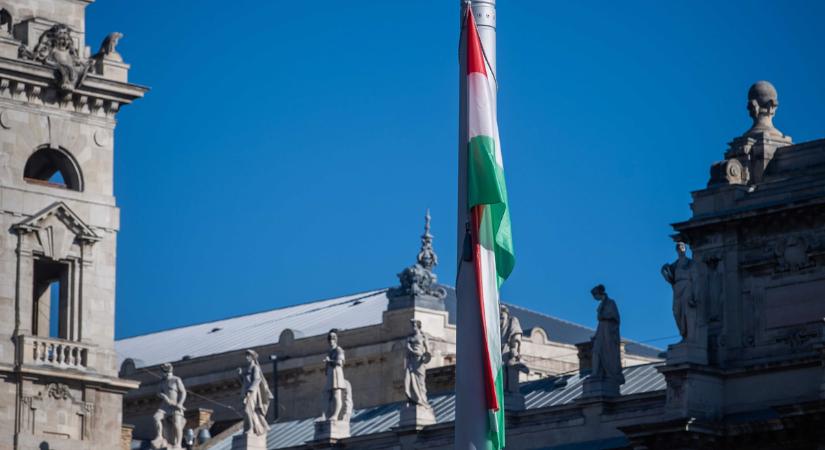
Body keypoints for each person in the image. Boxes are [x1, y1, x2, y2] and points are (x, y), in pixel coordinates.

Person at [661, 242, 701, 341]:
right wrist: (664, 271)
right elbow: (669, 278)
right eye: (679, 247)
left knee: (686, 311)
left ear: (685, 249)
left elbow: (696, 279)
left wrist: (695, 296)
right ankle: (683, 332)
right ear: (677, 250)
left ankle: (687, 335)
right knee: (676, 311)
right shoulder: (675, 265)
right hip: (677, 288)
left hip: (687, 286)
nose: (681, 248)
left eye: (682, 247)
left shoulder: (690, 262)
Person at [590, 285, 624, 384]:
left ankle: (608, 373)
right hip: (601, 331)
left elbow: (615, 317)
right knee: (596, 351)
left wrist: (603, 315)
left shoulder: (610, 303)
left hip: (608, 333)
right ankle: (595, 373)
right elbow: (600, 322)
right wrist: (596, 335)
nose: (594, 298)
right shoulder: (602, 304)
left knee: (608, 353)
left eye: (594, 296)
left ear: (598, 294)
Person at [237, 349, 272, 436]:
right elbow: (245, 382)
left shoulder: (255, 368)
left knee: (247, 410)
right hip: (246, 392)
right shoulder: (247, 369)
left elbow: (257, 379)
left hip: (252, 393)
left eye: (248, 355)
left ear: (253, 357)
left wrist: (250, 390)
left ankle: (251, 428)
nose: (246, 357)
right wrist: (240, 375)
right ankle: (255, 427)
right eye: (246, 355)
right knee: (248, 410)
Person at [152, 363, 186, 449]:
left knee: (177, 424)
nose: (166, 375)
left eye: (168, 373)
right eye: (165, 373)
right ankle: (159, 436)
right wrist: (164, 396)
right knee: (156, 417)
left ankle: (178, 444)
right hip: (165, 405)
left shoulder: (176, 379)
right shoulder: (162, 381)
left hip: (175, 405)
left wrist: (180, 403)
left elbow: (183, 392)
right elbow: (158, 392)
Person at [322, 329, 348, 420]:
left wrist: (330, 361)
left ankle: (336, 415)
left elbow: (340, 362)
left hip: (336, 373)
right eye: (329, 339)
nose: (330, 341)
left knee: (337, 394)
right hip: (330, 374)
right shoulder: (330, 351)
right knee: (327, 394)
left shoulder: (338, 350)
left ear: (335, 339)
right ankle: (325, 415)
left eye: (332, 338)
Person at [404, 320, 431, 406]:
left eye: (415, 326)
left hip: (419, 360)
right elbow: (407, 348)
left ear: (418, 326)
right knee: (411, 379)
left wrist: (426, 357)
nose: (413, 327)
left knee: (421, 380)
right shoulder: (410, 338)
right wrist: (411, 350)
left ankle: (422, 399)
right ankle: (415, 399)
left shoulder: (423, 336)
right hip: (412, 359)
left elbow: (428, 350)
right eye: (412, 326)